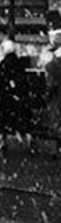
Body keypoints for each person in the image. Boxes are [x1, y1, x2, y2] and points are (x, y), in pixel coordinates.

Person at [0, 38, 31, 154]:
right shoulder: (19, 64)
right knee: (20, 119)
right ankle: (24, 139)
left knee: (4, 120)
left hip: (6, 98)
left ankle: (3, 141)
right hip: (18, 97)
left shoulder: (3, 64)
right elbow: (24, 81)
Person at [44, 29, 61, 157]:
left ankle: (55, 149)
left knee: (55, 123)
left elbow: (50, 85)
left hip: (57, 99)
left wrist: (47, 96)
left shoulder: (52, 66)